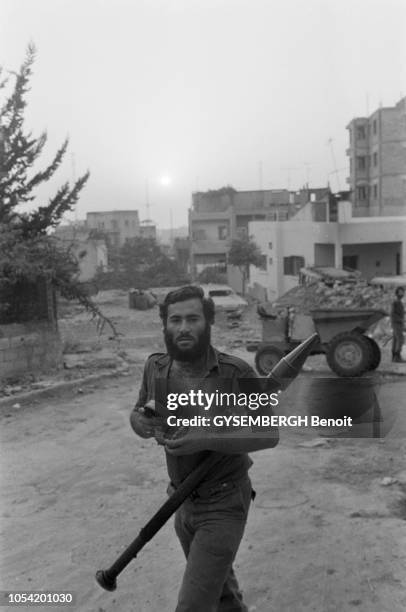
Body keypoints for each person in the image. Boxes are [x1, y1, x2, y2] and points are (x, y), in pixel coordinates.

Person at [130, 285, 279, 612]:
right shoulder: (156, 367)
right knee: (221, 593)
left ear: (208, 323)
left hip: (224, 501)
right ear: (165, 325)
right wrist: (139, 422)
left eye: (193, 318)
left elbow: (269, 434)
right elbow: (141, 411)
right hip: (181, 500)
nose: (183, 327)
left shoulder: (235, 372)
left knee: (194, 604)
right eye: (175, 320)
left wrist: (207, 437)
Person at [391, 286, 405, 363]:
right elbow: (392, 314)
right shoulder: (395, 302)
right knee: (401, 339)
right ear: (397, 293)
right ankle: (397, 357)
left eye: (403, 292)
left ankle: (393, 357)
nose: (402, 293)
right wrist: (401, 320)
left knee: (395, 340)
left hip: (397, 323)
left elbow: (399, 313)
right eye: (400, 292)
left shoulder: (399, 302)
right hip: (396, 323)